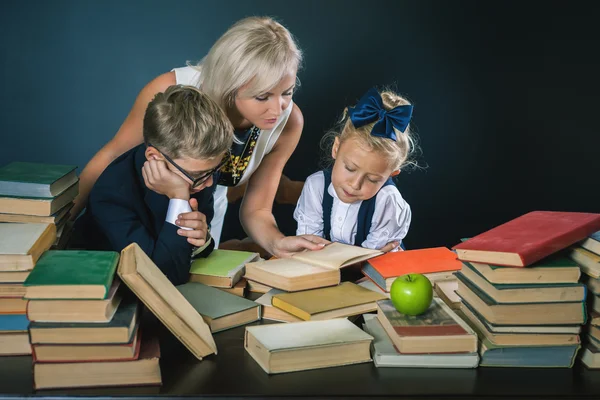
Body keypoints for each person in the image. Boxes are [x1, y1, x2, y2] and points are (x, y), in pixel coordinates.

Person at [72, 16, 328, 257]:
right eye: (262, 96)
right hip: (136, 214)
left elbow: (257, 208)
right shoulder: (169, 91)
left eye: (287, 92)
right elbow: (111, 156)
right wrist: (57, 225)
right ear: (230, 85)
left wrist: (277, 242)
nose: (277, 109)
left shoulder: (289, 121)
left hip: (200, 216)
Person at [72, 85, 232, 285]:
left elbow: (198, 246)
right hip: (103, 291)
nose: (208, 183)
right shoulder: (112, 194)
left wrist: (203, 239)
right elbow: (162, 276)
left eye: (214, 171)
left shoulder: (201, 173)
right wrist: (179, 198)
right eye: (198, 175)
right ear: (154, 157)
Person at [294, 87, 417, 252]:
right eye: (350, 168)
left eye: (372, 179)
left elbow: (369, 260)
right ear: (336, 148)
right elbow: (309, 246)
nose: (354, 184)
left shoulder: (388, 202)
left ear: (391, 174)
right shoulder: (316, 186)